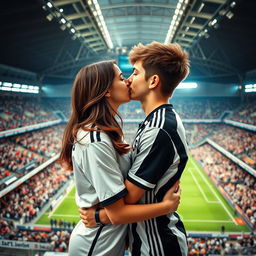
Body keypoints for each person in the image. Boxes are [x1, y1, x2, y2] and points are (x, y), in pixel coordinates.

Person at [60, 60, 182, 256]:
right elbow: (117, 214)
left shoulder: (108, 131)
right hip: (95, 246)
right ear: (106, 90)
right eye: (121, 78)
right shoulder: (95, 139)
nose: (127, 82)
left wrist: (100, 217)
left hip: (109, 241)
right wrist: (166, 206)